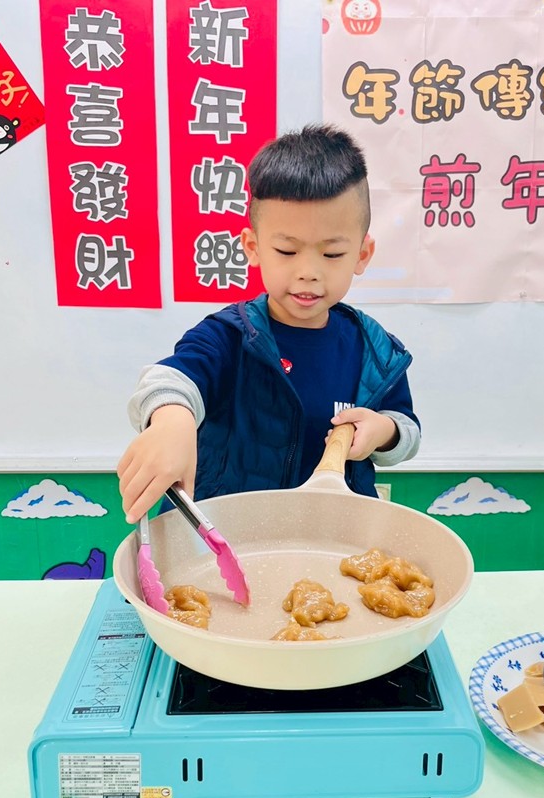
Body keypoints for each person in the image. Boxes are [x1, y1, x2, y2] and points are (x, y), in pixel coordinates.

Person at [118, 123, 420, 524]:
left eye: (331, 254)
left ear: (362, 255)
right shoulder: (230, 335)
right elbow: (170, 380)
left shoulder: (375, 350)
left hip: (330, 532)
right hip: (228, 535)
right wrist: (173, 422)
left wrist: (383, 431)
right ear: (253, 247)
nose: (308, 272)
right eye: (286, 251)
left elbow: (406, 428)